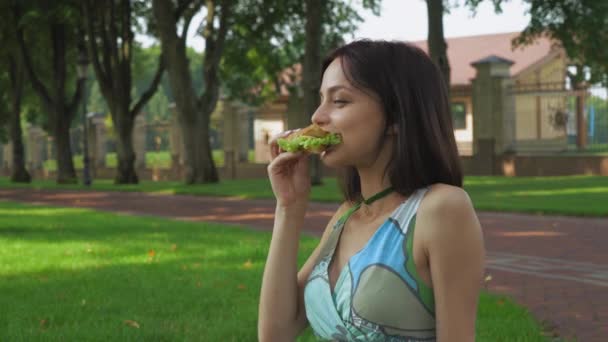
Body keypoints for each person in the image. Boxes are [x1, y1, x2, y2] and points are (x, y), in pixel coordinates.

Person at [258, 39, 485, 342]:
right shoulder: (346, 216)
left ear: (395, 117)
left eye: (339, 101)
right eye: (321, 99)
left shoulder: (442, 208)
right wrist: (289, 208)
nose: (317, 117)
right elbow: (276, 333)